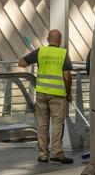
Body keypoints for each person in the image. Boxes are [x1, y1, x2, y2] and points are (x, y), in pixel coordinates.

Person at [18, 29, 74, 164]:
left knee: (42, 124)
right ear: (59, 41)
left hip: (41, 93)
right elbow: (67, 76)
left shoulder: (40, 51)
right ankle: (56, 153)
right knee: (57, 124)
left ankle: (43, 154)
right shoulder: (63, 53)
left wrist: (34, 58)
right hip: (58, 95)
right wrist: (68, 93)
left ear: (48, 39)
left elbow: (22, 63)